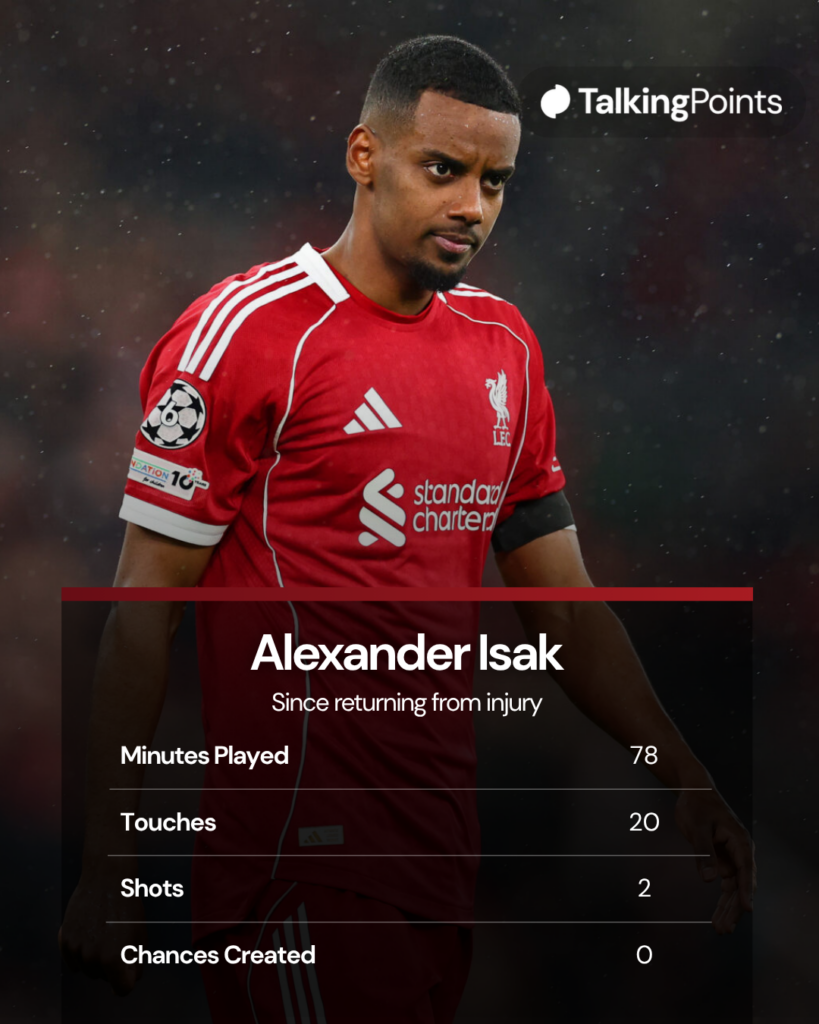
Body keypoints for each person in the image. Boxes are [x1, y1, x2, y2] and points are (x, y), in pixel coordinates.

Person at [59, 35, 755, 1023]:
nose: (471, 205)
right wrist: (110, 863)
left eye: (495, 182)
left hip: (435, 873)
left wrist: (681, 773)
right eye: (443, 169)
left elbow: (564, 604)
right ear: (364, 158)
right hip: (297, 875)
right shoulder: (248, 334)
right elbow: (141, 612)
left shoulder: (505, 344)